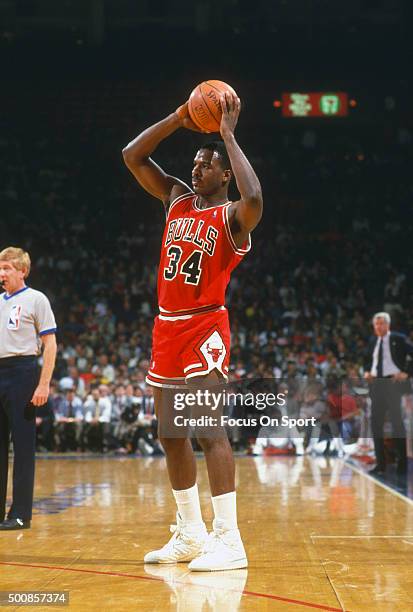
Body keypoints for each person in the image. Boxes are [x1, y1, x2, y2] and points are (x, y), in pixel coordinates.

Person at [122, 92, 263, 570]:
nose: (197, 169)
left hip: (205, 325)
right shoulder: (178, 199)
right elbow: (132, 156)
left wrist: (227, 135)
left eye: (207, 165)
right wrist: (178, 118)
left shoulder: (231, 218)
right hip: (167, 326)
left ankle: (229, 538)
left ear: (225, 175)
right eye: (195, 162)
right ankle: (190, 532)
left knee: (208, 429)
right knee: (171, 434)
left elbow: (256, 199)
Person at [0, 247, 57, 530]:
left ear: (23, 271)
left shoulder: (37, 299)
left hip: (23, 372)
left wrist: (43, 383)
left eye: (8, 267)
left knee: (22, 446)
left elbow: (50, 344)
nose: (2, 273)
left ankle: (20, 514)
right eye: (0, 267)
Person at [364, 312, 413, 476]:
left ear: (388, 325)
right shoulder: (372, 341)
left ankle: (402, 464)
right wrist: (366, 371)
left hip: (393, 383)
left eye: (382, 323)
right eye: (376, 324)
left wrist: (407, 372)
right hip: (377, 384)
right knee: (376, 424)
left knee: (397, 423)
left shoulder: (398, 338)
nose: (379, 326)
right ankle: (380, 464)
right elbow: (368, 359)